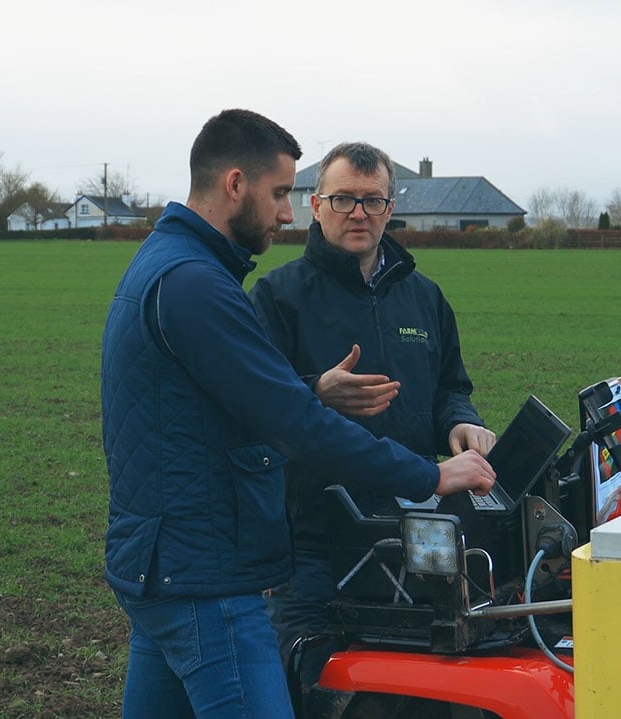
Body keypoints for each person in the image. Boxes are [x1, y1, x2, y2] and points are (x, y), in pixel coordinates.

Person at [100, 111, 495, 719]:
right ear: (236, 185)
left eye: (372, 201)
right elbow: (290, 420)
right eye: (284, 193)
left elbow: (243, 400)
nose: (287, 212)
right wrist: (433, 475)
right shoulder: (198, 284)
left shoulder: (168, 264)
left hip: (164, 566)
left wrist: (449, 421)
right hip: (209, 571)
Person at [249, 141, 496, 693]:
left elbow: (450, 387)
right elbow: (252, 408)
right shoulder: (277, 297)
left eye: (371, 200)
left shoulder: (425, 298)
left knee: (411, 684)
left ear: (390, 207)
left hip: (413, 530)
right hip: (309, 538)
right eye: (343, 199)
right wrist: (316, 391)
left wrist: (458, 421)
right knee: (303, 678)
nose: (358, 213)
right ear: (316, 205)